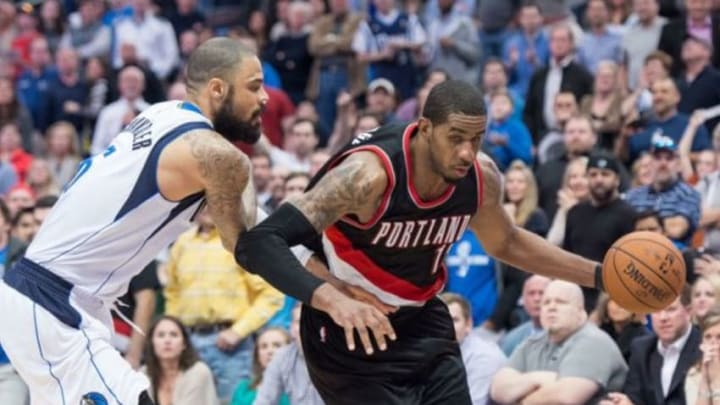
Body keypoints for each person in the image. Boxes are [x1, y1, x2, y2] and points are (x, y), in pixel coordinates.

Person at [236, 79, 610, 404]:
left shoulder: (481, 177)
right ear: (426, 128)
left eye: (476, 139)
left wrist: (601, 277)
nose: (467, 152)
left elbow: (507, 243)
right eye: (456, 138)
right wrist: (332, 298)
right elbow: (260, 242)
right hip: (348, 331)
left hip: (421, 318)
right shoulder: (368, 176)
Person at [0, 37, 267, 405]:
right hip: (51, 297)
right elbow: (242, 237)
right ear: (218, 89)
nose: (264, 98)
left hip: (64, 299)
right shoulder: (196, 147)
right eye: (255, 86)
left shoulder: (162, 113)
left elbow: (248, 213)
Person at [142, 316, 219, 405]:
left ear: (184, 344)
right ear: (152, 343)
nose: (167, 341)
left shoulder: (199, 372)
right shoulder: (143, 374)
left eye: (174, 335)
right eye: (161, 335)